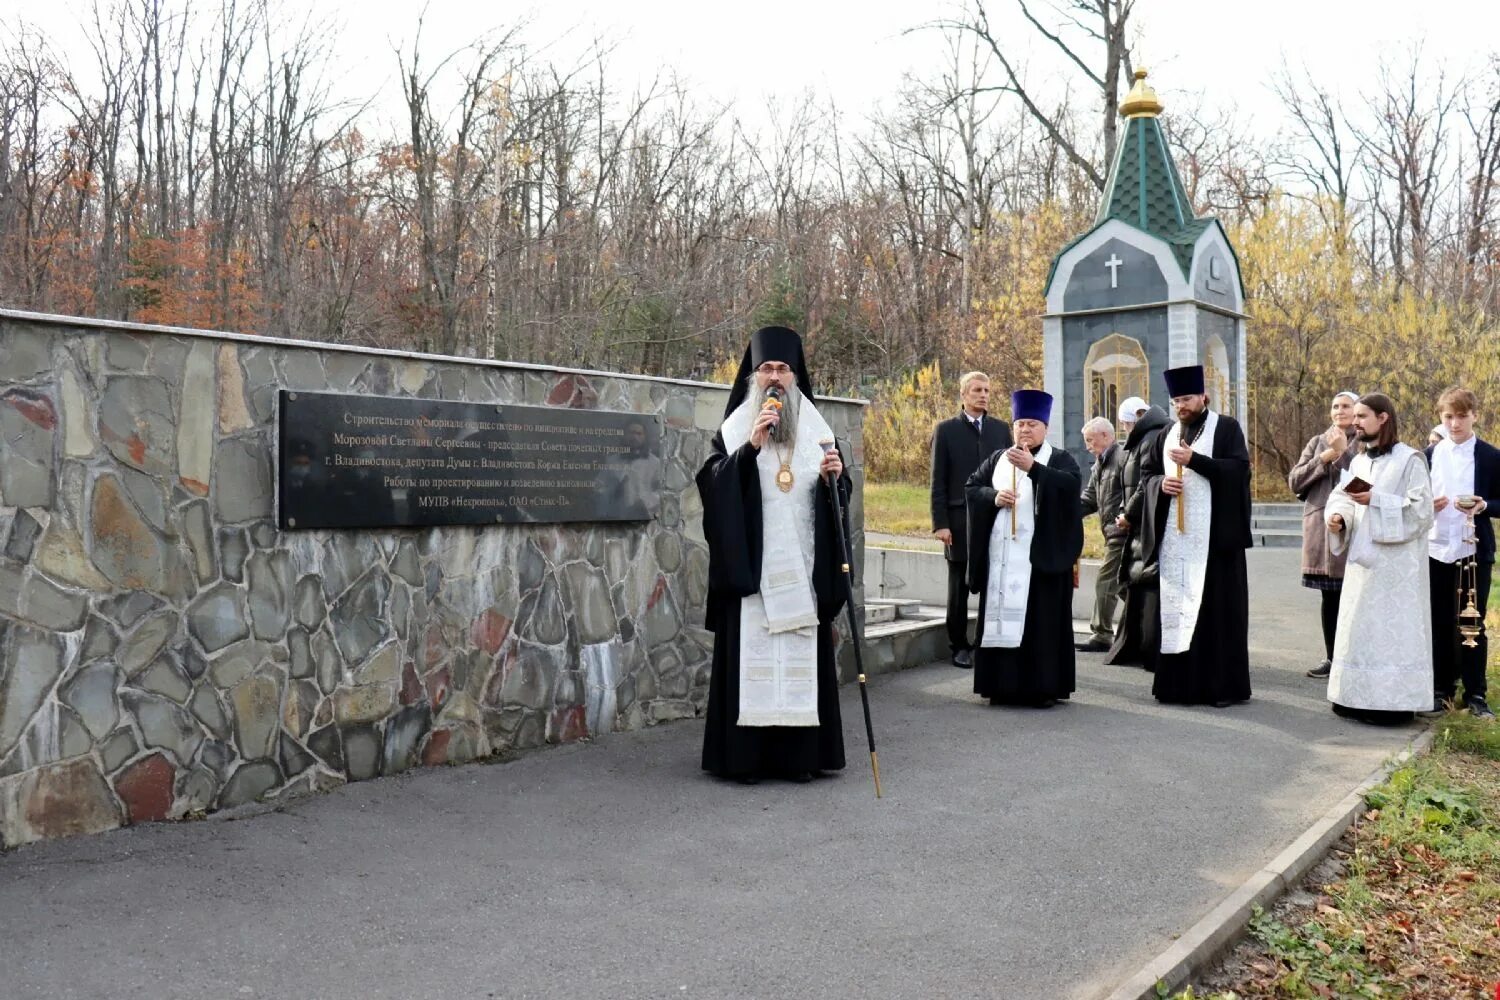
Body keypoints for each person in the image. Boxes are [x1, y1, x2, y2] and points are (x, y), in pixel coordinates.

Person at [696, 326, 850, 782]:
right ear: (754, 376)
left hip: (802, 571)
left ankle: (799, 759)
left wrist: (835, 480)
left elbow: (838, 494)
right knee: (753, 661)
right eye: (767, 369)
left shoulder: (819, 430)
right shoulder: (733, 429)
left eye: (784, 369)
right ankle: (745, 760)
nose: (776, 377)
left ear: (796, 375)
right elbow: (712, 485)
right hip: (754, 577)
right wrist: (750, 450)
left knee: (800, 658)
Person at [964, 390, 1084, 707]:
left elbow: (1070, 487)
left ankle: (1040, 689)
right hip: (1001, 563)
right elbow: (972, 488)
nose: (1024, 430)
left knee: (1039, 626)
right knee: (1000, 620)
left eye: (1031, 424)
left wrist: (1035, 469)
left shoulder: (1059, 459)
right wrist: (993, 497)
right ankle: (999, 686)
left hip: (1040, 563)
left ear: (1044, 427)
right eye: (1019, 423)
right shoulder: (997, 458)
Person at [1325, 393, 1434, 724]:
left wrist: (1376, 499)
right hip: (1363, 564)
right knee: (1361, 630)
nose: (1354, 422)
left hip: (1397, 569)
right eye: (1354, 416)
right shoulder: (1358, 461)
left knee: (1391, 636)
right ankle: (1354, 697)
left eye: (1362, 416)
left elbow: (1421, 511)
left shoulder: (1411, 460)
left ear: (1383, 417)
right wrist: (1339, 517)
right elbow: (1342, 496)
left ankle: (1393, 705)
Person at [1148, 365, 1252, 706]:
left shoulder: (1226, 428)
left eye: (1188, 398)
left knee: (1216, 613)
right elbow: (1146, 474)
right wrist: (1160, 485)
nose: (1182, 405)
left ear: (1203, 397)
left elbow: (1238, 471)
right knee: (1178, 611)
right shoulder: (1166, 433)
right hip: (1175, 540)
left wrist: (1196, 461)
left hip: (1215, 542)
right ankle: (1177, 686)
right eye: (1177, 400)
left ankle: (1220, 688)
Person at [930, 371, 1013, 667]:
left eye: (987, 390)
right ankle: (959, 645)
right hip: (957, 519)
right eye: (977, 390)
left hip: (993, 517)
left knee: (992, 582)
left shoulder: (1002, 430)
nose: (983, 395)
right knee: (959, 586)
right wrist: (940, 523)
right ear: (964, 394)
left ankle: (984, 643)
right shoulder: (946, 430)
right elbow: (937, 480)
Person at [1425, 386, 1498, 720]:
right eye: (1448, 417)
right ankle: (1441, 690)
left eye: (1461, 416)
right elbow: (1414, 501)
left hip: (1473, 549)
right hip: (1436, 547)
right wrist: (1428, 506)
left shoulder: (1489, 456)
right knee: (1439, 621)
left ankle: (1476, 693)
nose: (1455, 424)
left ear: (1474, 416)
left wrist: (1484, 505)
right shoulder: (1427, 456)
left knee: (1472, 623)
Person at [1288, 391, 1359, 679]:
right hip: (1319, 527)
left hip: (1351, 528)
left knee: (1352, 597)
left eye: (1346, 406)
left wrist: (1343, 454)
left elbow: (1361, 482)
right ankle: (1332, 658)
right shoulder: (1318, 441)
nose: (1340, 411)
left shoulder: (1364, 442)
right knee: (1329, 598)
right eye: (1335, 406)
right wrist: (1327, 455)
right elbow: (1295, 481)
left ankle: (1352, 658)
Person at [1105, 398, 1171, 669]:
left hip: (1147, 522)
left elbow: (1145, 482)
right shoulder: (1145, 438)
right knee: (1138, 582)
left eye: (1125, 422)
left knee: (1146, 580)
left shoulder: (1150, 438)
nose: (1124, 428)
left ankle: (1147, 646)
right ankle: (1138, 643)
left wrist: (1129, 514)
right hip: (1140, 520)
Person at [1077, 416, 1128, 652]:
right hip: (1112, 535)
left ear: (1106, 436)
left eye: (1090, 440)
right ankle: (1139, 630)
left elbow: (1132, 492)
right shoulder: (1099, 464)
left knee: (1105, 582)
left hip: (1122, 533)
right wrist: (1063, 513)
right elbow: (1089, 500)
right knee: (1126, 587)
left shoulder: (1122, 457)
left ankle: (1101, 634)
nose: (1088, 446)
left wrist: (1124, 516)